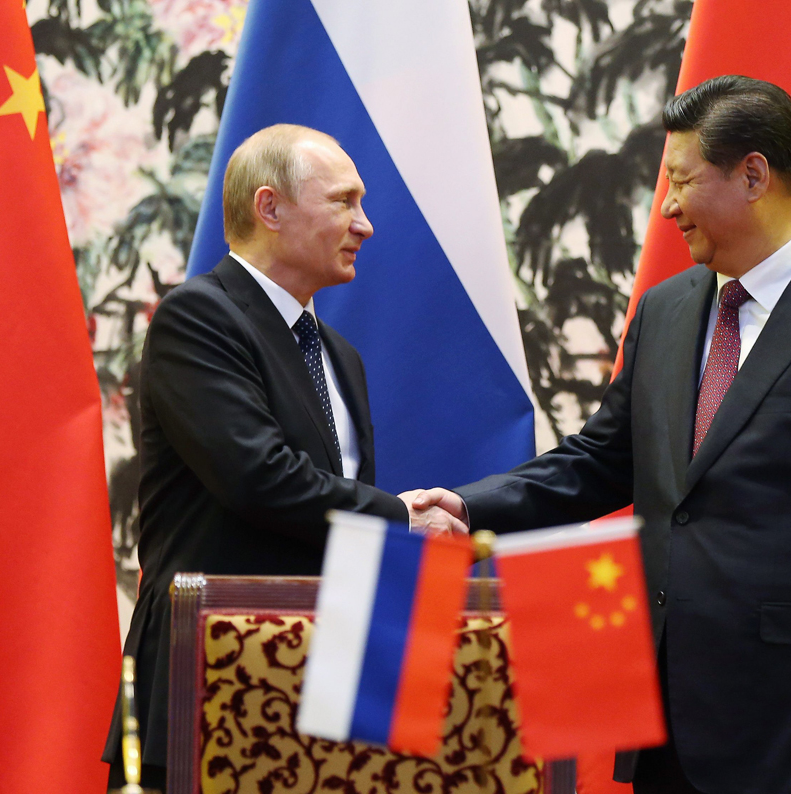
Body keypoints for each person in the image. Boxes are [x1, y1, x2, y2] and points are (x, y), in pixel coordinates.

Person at [412, 76, 791, 794]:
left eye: (681, 181)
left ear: (753, 175)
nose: (666, 206)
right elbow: (603, 459)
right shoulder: (665, 310)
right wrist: (468, 508)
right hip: (664, 708)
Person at [102, 124, 465, 790]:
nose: (367, 225)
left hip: (328, 696)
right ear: (270, 209)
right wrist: (400, 516)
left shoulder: (340, 356)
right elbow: (257, 477)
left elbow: (334, 518)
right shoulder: (198, 317)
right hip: (214, 684)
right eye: (345, 202)